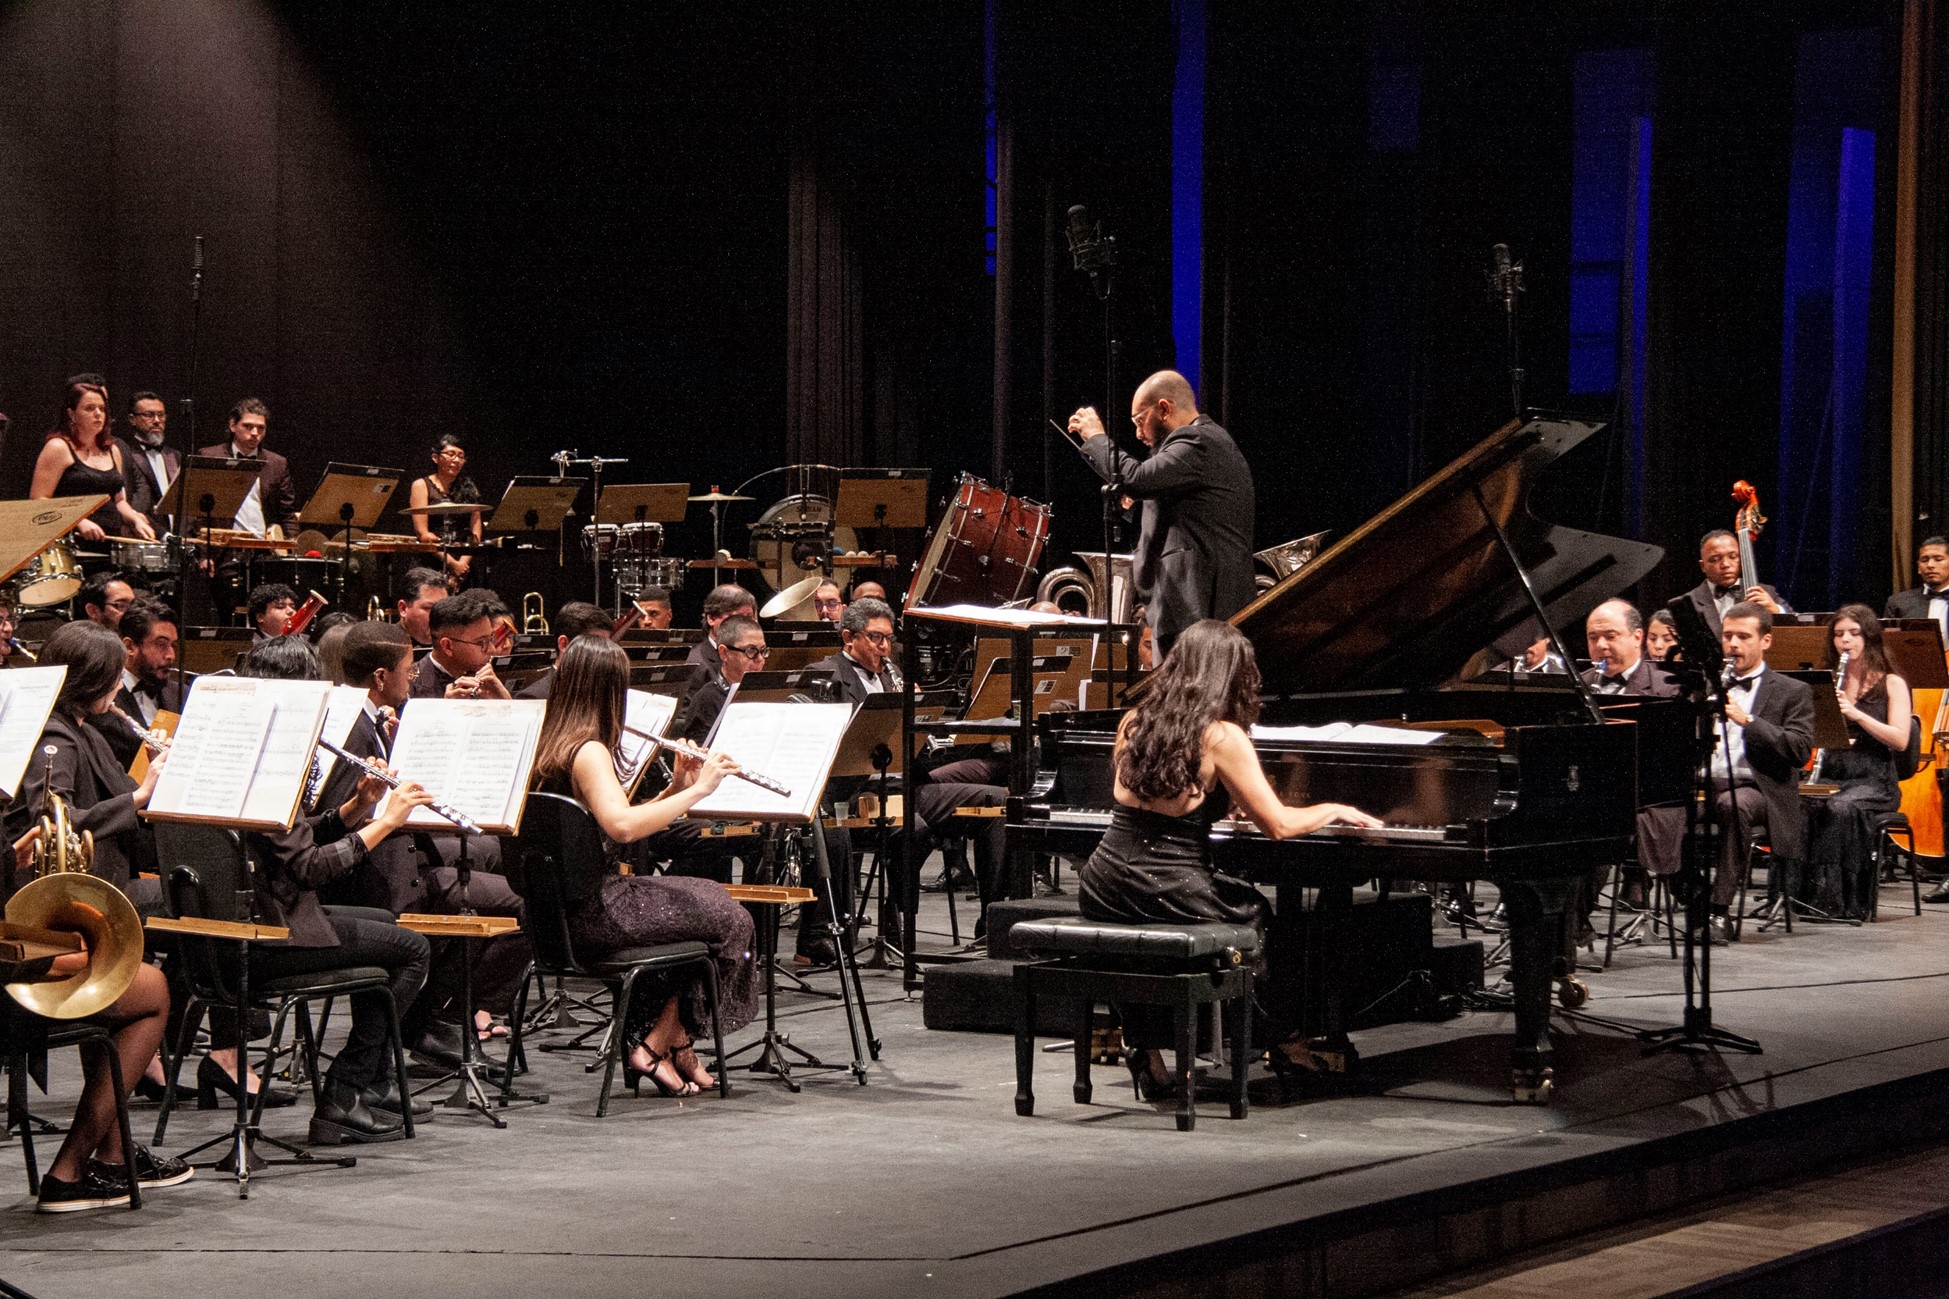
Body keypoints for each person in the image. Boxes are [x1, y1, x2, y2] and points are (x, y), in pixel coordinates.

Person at [1078, 620, 1381, 1093]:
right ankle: (1285, 1043)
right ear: (1229, 676)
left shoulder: (1134, 721)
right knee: (1256, 917)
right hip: (1168, 882)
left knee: (1138, 948)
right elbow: (1279, 825)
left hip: (1102, 879)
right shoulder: (1220, 736)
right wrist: (1333, 808)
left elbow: (1152, 798)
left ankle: (1148, 1054)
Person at [227, 636, 435, 1141]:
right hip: (268, 936)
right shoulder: (272, 763)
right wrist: (385, 823)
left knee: (387, 924)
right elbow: (308, 868)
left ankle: (368, 1086)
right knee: (412, 949)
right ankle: (344, 1094)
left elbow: (285, 841)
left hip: (230, 926)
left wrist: (352, 811)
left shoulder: (237, 746)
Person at [530, 636, 759, 1096]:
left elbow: (603, 823)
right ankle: (664, 1043)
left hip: (551, 914)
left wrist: (675, 786)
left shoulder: (548, 741)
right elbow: (622, 828)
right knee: (731, 916)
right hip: (597, 911)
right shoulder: (589, 750)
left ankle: (670, 1046)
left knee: (701, 908)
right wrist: (700, 792)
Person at [318, 621, 528, 1059]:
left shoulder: (369, 720)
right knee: (527, 907)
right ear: (380, 677)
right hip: (382, 881)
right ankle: (445, 1015)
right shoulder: (353, 732)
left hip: (403, 858)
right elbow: (342, 823)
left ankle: (436, 1017)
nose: (413, 680)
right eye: (408, 672)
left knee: (491, 853)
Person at [1068, 370, 1255, 657]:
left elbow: (1138, 478)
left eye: (1139, 421)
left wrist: (1095, 437)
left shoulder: (1199, 440)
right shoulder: (1198, 447)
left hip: (1199, 612)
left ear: (1164, 409)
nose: (1138, 433)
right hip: (1185, 610)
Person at [11, 621, 169, 917]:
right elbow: (52, 823)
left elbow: (126, 800)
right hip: (81, 892)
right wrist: (142, 793)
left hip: (110, 877)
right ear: (92, 680)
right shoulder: (55, 736)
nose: (120, 686)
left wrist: (152, 768)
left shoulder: (89, 733)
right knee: (200, 898)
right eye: (116, 677)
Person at [1705, 603, 1815, 944]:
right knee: (1658, 809)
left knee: (1733, 806)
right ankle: (1688, 897)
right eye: (1728, 636)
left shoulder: (1792, 691)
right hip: (1707, 782)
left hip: (1759, 788)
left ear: (1765, 641)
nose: (1733, 644)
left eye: (1743, 636)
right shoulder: (1708, 685)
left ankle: (1718, 911)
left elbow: (1799, 749)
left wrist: (1748, 721)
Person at [1800, 606, 1910, 920]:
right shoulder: (1828, 682)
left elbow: (1900, 739)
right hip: (1834, 773)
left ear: (1869, 636)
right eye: (1838, 634)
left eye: (1853, 633)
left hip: (1874, 781)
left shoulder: (1891, 683)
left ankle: (1836, 902)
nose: (1845, 641)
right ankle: (1800, 898)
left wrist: (1855, 714)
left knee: (1839, 809)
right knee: (1801, 803)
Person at [1580, 599, 1682, 911]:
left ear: (1637, 637)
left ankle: (1573, 917)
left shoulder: (1668, 687)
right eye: (1593, 638)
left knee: (1592, 823)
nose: (1601, 645)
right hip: (1586, 792)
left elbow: (1672, 762)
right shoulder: (1580, 684)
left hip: (1648, 800)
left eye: (1610, 636)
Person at [198, 398, 299, 618]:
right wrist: (204, 553)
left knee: (268, 613)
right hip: (226, 550)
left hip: (265, 551)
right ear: (233, 426)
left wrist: (292, 552)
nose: (255, 433)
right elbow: (198, 513)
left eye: (260, 428)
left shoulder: (276, 463)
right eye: (248, 426)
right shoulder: (210, 456)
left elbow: (287, 511)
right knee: (228, 612)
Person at [31, 375, 156, 543]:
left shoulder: (113, 450)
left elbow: (119, 501)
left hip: (110, 542)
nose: (98, 414)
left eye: (102, 409)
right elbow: (38, 500)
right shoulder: (58, 447)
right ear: (72, 414)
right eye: (89, 408)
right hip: (73, 544)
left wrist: (135, 519)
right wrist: (77, 521)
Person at [89, 598, 184, 768]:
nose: (171, 655)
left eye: (173, 645)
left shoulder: (182, 694)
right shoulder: (99, 698)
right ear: (129, 647)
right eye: (161, 644)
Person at [1681, 530, 1790, 640]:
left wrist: (1776, 610)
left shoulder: (1766, 592)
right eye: (1715, 559)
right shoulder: (1687, 603)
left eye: (1733, 557)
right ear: (1703, 566)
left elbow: (1797, 627)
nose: (1725, 564)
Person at [405, 434, 484, 587]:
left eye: (461, 456)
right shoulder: (421, 485)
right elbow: (422, 533)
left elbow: (476, 531)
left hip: (463, 562)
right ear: (436, 458)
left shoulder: (469, 488)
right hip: (431, 560)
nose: (456, 460)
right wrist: (453, 564)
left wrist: (462, 564)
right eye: (451, 454)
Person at [410, 590, 512, 700]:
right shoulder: (410, 686)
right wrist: (442, 711)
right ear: (447, 646)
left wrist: (506, 702)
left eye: (492, 639)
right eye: (481, 642)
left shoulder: (493, 679)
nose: (492, 650)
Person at [516, 601, 613, 699]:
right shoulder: (534, 696)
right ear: (563, 644)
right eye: (594, 645)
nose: (603, 653)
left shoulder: (602, 694)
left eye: (605, 645)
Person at [116, 390, 179, 534]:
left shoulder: (174, 456)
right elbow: (128, 501)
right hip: (141, 535)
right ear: (132, 419)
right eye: (148, 415)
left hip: (175, 538)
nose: (156, 420)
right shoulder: (123, 453)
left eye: (161, 415)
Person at [685, 584, 756, 683]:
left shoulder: (755, 657)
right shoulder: (696, 664)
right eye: (736, 617)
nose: (744, 625)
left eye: (749, 617)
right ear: (711, 619)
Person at [1883, 535, 1949, 639]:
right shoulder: (1899, 603)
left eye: (1938, 559)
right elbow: (1889, 644)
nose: (1930, 565)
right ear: (1918, 567)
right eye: (1924, 560)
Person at [394, 567, 452, 648]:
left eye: (443, 608)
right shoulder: (385, 647)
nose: (440, 617)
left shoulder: (451, 645)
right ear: (403, 608)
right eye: (429, 608)